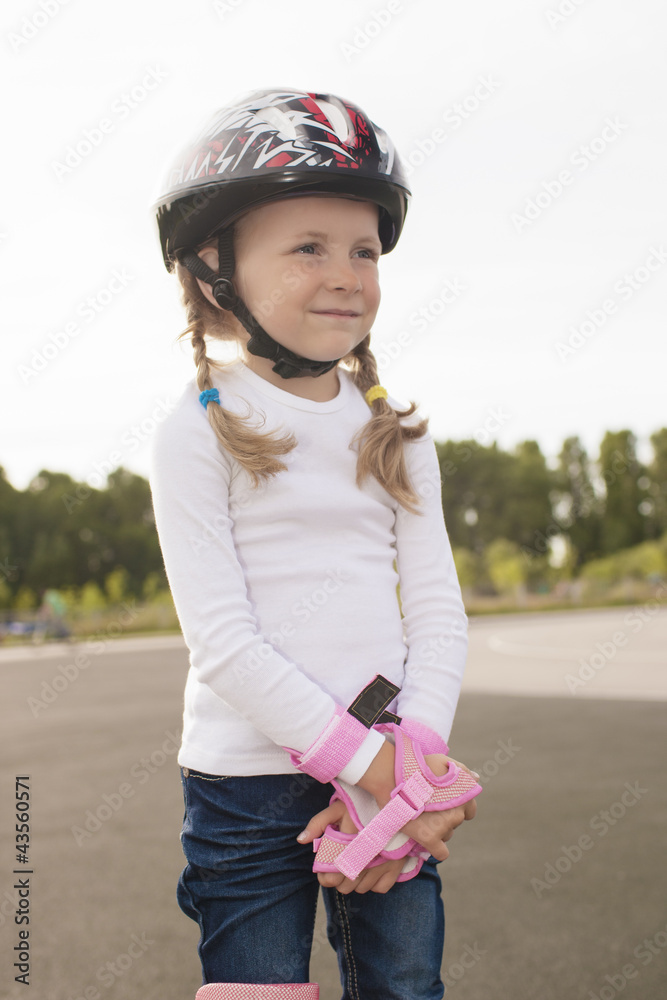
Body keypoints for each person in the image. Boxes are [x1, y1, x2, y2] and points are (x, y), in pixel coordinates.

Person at [150, 89, 481, 1000]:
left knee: (404, 985)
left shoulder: (396, 433)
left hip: (393, 761)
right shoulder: (196, 431)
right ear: (215, 273)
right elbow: (224, 645)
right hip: (246, 787)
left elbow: (438, 615)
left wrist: (408, 768)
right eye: (308, 248)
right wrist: (374, 770)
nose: (345, 274)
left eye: (363, 251)